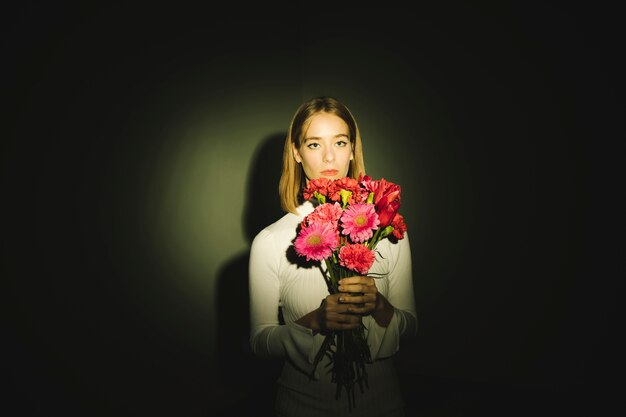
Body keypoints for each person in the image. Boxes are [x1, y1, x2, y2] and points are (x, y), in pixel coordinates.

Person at [248, 96, 418, 417]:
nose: (329, 157)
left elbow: (410, 326)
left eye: (340, 142)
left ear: (353, 149)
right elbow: (260, 342)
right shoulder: (269, 241)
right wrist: (315, 322)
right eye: (314, 145)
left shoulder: (389, 229)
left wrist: (380, 306)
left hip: (384, 405)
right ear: (296, 153)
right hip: (301, 406)